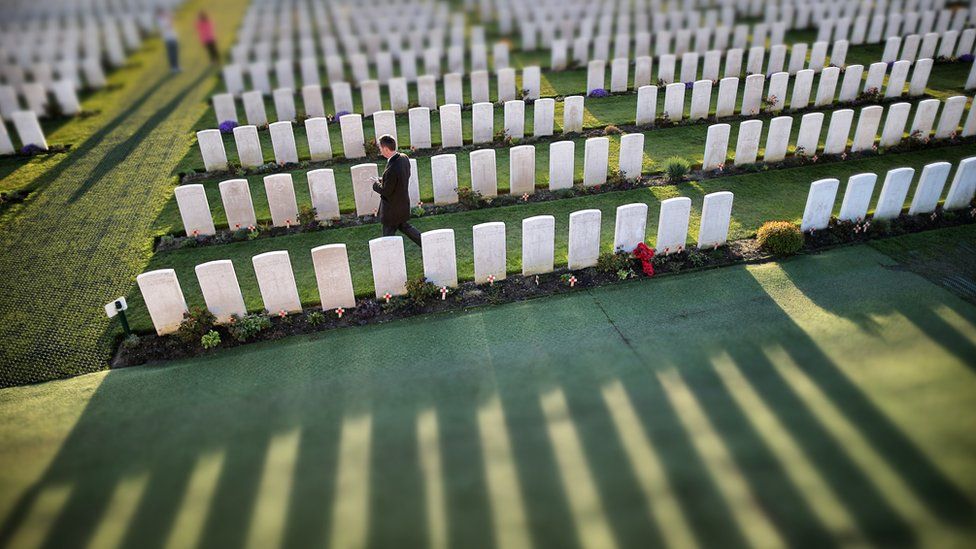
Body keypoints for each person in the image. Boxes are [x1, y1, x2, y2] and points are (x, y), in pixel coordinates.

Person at [372, 135, 422, 247]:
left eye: (380, 148)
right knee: (405, 227)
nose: (380, 151)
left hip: (391, 210)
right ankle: (425, 243)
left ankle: (388, 256)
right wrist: (382, 179)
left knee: (388, 238)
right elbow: (400, 179)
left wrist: (375, 185)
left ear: (385, 149)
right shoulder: (404, 158)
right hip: (402, 204)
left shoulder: (391, 169)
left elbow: (385, 191)